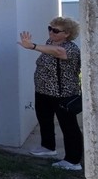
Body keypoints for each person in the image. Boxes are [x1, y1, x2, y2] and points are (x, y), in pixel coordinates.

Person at [19, 17, 83, 170]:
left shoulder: (70, 48)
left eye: (55, 30)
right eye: (50, 28)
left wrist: (32, 46)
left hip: (63, 94)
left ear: (67, 34)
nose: (51, 32)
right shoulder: (49, 43)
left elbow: (57, 52)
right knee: (44, 120)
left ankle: (73, 161)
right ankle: (48, 147)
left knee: (69, 127)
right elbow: (50, 49)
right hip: (43, 92)